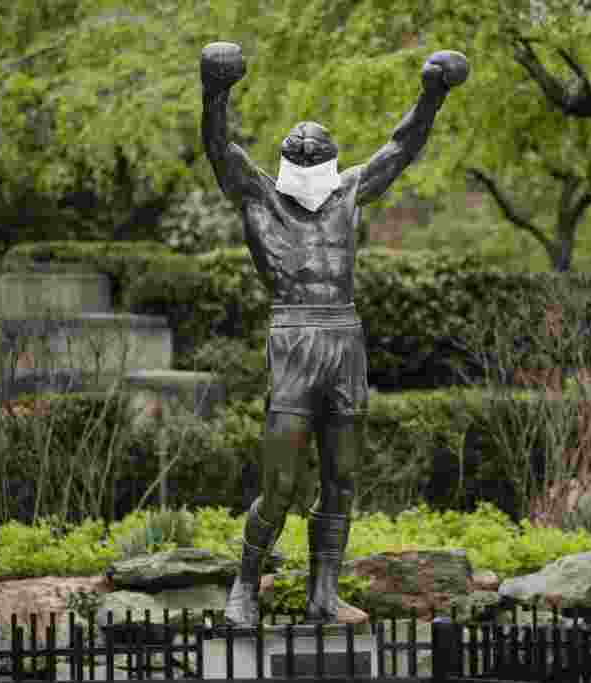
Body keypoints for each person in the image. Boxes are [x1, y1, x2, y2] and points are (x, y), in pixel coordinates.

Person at [199, 41, 469, 626]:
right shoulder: (258, 193)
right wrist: (214, 91)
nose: (306, 154)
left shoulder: (349, 190)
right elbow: (219, 147)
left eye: (316, 157)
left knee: (343, 477)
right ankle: (245, 589)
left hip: (345, 335)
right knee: (280, 482)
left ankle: (324, 595)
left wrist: (432, 94)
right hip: (294, 333)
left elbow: (403, 145)